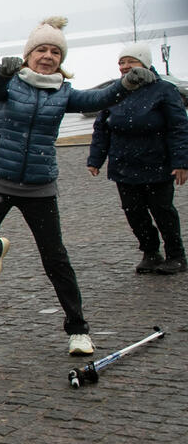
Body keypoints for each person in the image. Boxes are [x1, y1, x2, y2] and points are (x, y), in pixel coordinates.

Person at [0, 17, 149, 355]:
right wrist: (2, 71)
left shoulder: (63, 93)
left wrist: (126, 84)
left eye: (55, 52)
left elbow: (98, 98)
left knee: (56, 259)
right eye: (41, 50)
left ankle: (78, 329)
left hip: (39, 186)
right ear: (29, 54)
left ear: (61, 59)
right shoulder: (9, 84)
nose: (48, 56)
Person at [87, 41, 188, 275]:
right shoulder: (115, 91)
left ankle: (176, 255)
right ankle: (150, 253)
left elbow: (179, 127)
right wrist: (95, 159)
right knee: (134, 213)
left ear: (145, 64)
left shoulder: (164, 90)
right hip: (123, 166)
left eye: (131, 61)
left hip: (157, 164)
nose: (125, 66)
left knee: (162, 211)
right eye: (121, 62)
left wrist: (182, 162)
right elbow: (102, 128)